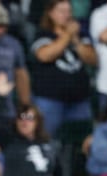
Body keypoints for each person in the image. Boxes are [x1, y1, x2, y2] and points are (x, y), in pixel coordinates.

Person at [31, 0, 97, 137]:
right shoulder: (43, 34)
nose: (66, 15)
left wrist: (76, 41)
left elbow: (93, 59)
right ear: (51, 13)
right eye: (61, 11)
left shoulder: (80, 36)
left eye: (68, 11)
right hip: (50, 100)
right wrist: (67, 35)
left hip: (79, 100)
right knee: (48, 139)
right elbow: (44, 55)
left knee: (81, 141)